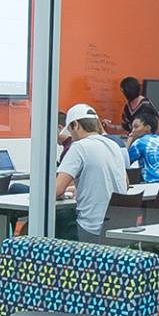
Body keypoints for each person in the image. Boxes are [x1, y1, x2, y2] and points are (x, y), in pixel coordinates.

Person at [56, 102, 129, 242]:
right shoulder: (113, 145)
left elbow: (57, 190)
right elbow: (125, 183)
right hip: (117, 226)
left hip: (91, 229)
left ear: (75, 125)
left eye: (70, 130)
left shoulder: (78, 147)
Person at [126, 103, 159, 182]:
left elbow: (124, 163)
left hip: (151, 185)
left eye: (136, 127)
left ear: (147, 128)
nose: (133, 131)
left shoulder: (140, 142)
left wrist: (130, 138)